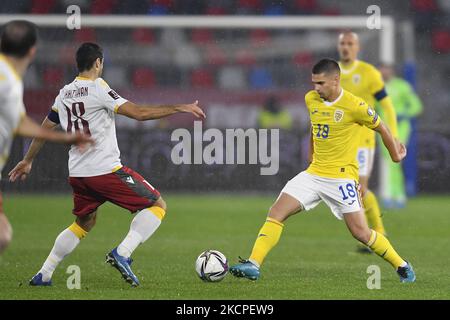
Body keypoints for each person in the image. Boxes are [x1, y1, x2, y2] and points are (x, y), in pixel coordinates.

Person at [8, 42, 205, 287]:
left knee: (84, 222)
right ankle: (122, 253)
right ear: (98, 63)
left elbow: (45, 129)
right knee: (157, 205)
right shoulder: (99, 88)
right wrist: (180, 107)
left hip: (78, 173)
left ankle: (44, 273)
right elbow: (139, 113)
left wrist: (28, 160)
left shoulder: (64, 93)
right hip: (104, 170)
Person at [229, 59, 415, 283]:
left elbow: (381, 127)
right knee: (276, 212)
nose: (315, 87)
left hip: (341, 177)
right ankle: (254, 263)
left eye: (320, 83)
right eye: (313, 82)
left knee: (361, 233)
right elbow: (315, 127)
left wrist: (395, 153)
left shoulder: (355, 106)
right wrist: (311, 156)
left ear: (335, 80)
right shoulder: (311, 99)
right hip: (314, 174)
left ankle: (402, 266)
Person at [0, 20, 92, 256]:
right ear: (32, 50)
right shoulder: (8, 82)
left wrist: (29, 159)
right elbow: (20, 124)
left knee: (2, 235)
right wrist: (66, 139)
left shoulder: (8, 77)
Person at [337, 31, 399, 247]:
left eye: (350, 43)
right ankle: (373, 233)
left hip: (363, 140)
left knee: (360, 189)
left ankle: (378, 232)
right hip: (340, 141)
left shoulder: (369, 72)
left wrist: (394, 133)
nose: (346, 47)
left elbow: (387, 105)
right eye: (343, 43)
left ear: (358, 47)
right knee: (348, 188)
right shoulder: (332, 73)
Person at [379, 64, 423, 208]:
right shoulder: (377, 87)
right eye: (381, 69)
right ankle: (395, 195)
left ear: (391, 70)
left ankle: (396, 195)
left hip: (400, 128)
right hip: (383, 129)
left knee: (395, 161)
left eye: (385, 68)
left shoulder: (402, 86)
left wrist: (404, 114)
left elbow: (417, 106)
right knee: (391, 163)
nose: (383, 71)